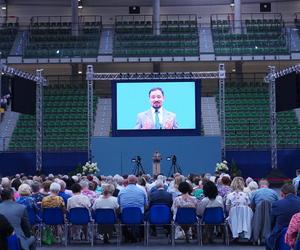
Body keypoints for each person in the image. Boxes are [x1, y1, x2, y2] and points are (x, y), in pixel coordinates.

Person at [265, 184, 300, 250]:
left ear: (282, 194)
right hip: (298, 234)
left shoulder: (277, 204)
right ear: (295, 192)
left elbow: (272, 222)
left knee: (268, 238)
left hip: (281, 234)